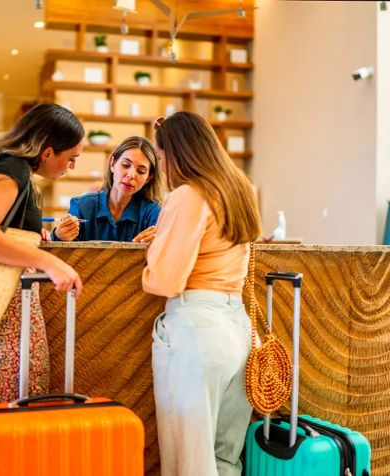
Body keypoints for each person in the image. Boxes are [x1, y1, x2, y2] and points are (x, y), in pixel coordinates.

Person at [0, 103, 84, 476]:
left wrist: (29, 238)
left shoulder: (10, 169)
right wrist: (47, 260)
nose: (70, 167)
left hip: (0, 310)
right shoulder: (11, 169)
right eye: (70, 158)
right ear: (47, 152)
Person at [142, 112, 262, 476]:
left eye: (160, 158)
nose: (161, 167)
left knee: (189, 463)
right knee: (225, 458)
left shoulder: (188, 195)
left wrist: (156, 251)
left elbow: (165, 281)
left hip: (198, 332)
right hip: (239, 331)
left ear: (174, 155)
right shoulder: (240, 189)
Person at [52, 136, 164, 243]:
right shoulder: (82, 206)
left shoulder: (153, 213)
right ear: (112, 164)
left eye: (141, 171)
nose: (131, 175)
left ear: (148, 178)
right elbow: (64, 253)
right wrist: (58, 236)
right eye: (125, 165)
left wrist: (161, 243)